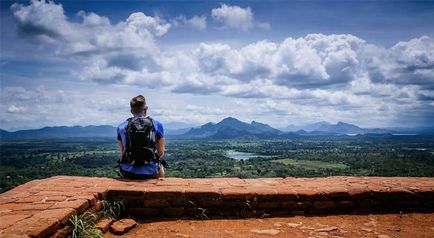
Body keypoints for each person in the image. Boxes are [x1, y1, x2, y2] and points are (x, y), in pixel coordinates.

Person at [116, 95, 165, 179]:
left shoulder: (121, 126)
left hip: (127, 171)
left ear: (131, 111)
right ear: (145, 109)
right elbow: (160, 152)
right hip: (151, 172)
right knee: (161, 168)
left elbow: (123, 152)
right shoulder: (156, 125)